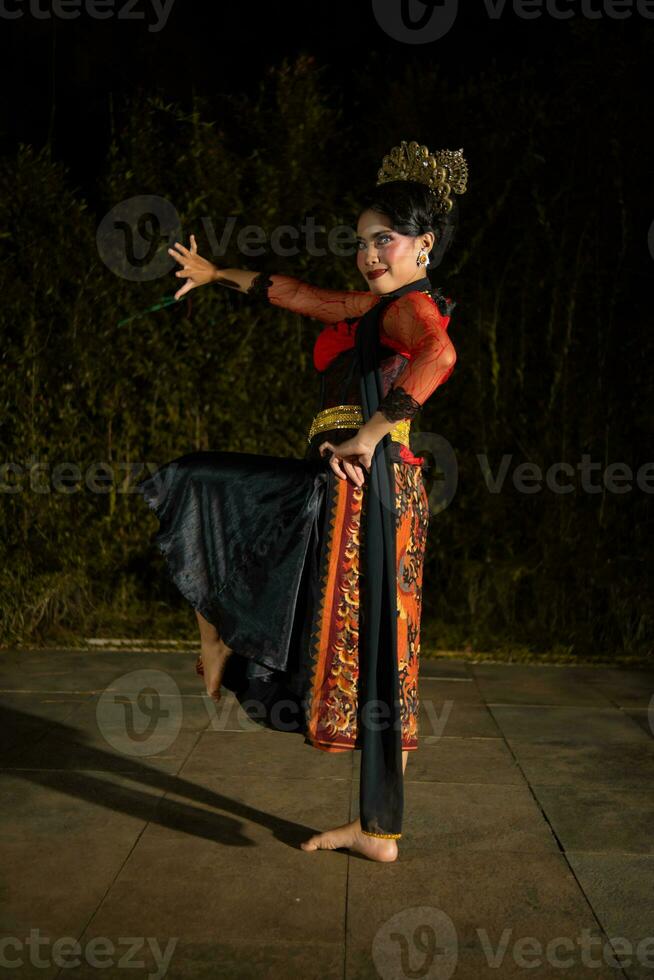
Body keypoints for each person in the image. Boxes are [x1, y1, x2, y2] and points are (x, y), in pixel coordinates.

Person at [137, 140, 468, 863]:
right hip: (358, 489)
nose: (370, 254)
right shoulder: (379, 309)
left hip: (370, 487)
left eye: (385, 240)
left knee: (199, 481)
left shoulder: (412, 309)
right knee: (382, 654)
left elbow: (440, 357)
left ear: (424, 246)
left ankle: (219, 639)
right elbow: (301, 296)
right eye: (362, 243)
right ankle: (378, 829)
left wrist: (373, 434)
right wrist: (218, 272)